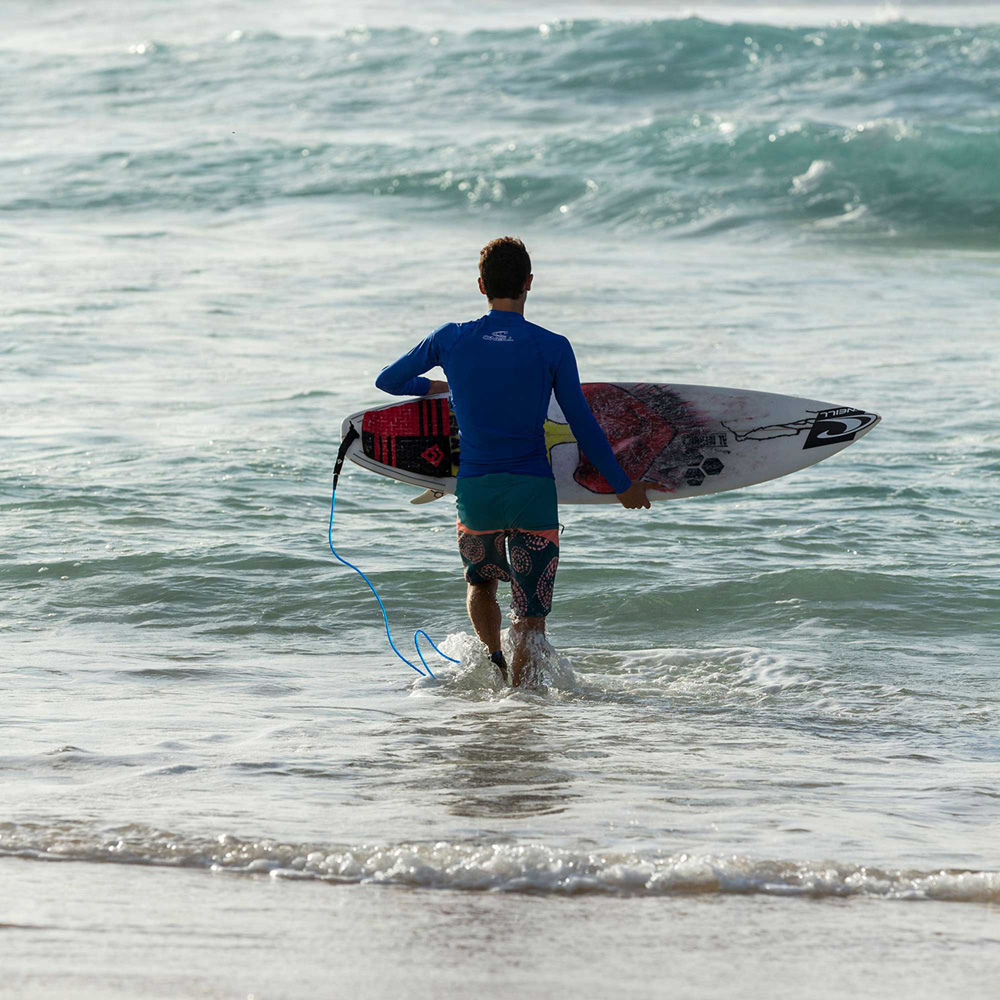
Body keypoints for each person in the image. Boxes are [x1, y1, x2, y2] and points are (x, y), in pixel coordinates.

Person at [375, 237, 650, 686]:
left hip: (477, 493)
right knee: (530, 615)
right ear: (529, 283)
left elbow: (388, 380)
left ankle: (494, 657)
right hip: (531, 493)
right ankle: (520, 702)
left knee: (480, 585)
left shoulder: (451, 338)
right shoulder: (552, 346)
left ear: (480, 284)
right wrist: (622, 486)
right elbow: (582, 425)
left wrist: (436, 388)